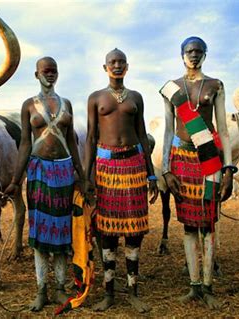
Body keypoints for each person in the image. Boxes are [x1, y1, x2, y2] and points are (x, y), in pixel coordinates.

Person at [4, 57, 84, 311]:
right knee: (39, 233)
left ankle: (60, 288)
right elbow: (25, 144)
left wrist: (81, 175)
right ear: (36, 74)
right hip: (38, 171)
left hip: (64, 171)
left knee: (61, 232)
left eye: (54, 71)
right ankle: (41, 290)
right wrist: (16, 180)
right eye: (45, 71)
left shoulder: (66, 104)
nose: (50, 74)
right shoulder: (29, 105)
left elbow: (72, 142)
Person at [160, 37, 235, 309]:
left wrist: (228, 169)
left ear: (205, 54)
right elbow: (169, 130)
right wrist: (166, 169)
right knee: (190, 225)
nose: (193, 55)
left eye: (198, 51)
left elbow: (223, 130)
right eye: (189, 51)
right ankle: (194, 286)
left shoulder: (215, 85)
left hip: (209, 160)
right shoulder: (172, 89)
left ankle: (208, 286)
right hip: (181, 159)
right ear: (182, 55)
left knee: (209, 223)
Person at [84, 48, 158, 313]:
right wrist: (86, 176)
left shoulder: (136, 97)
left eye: (121, 62)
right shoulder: (96, 98)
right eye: (112, 62)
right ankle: (109, 293)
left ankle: (133, 291)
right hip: (105, 168)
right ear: (105, 67)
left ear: (127, 66)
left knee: (135, 231)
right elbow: (91, 138)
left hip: (135, 165)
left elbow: (141, 133)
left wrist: (151, 174)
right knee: (107, 232)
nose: (117, 65)